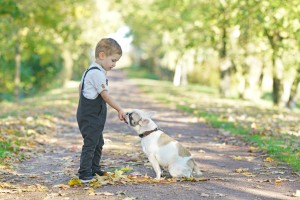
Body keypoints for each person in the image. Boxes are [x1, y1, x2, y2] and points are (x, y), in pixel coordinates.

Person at [76, 38, 126, 183]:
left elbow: (80, 87)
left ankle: (94, 168)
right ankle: (84, 173)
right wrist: (119, 109)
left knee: (98, 142)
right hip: (90, 116)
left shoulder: (90, 70)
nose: (114, 65)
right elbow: (105, 96)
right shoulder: (97, 73)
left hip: (89, 114)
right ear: (102, 55)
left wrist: (84, 101)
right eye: (113, 60)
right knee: (91, 143)